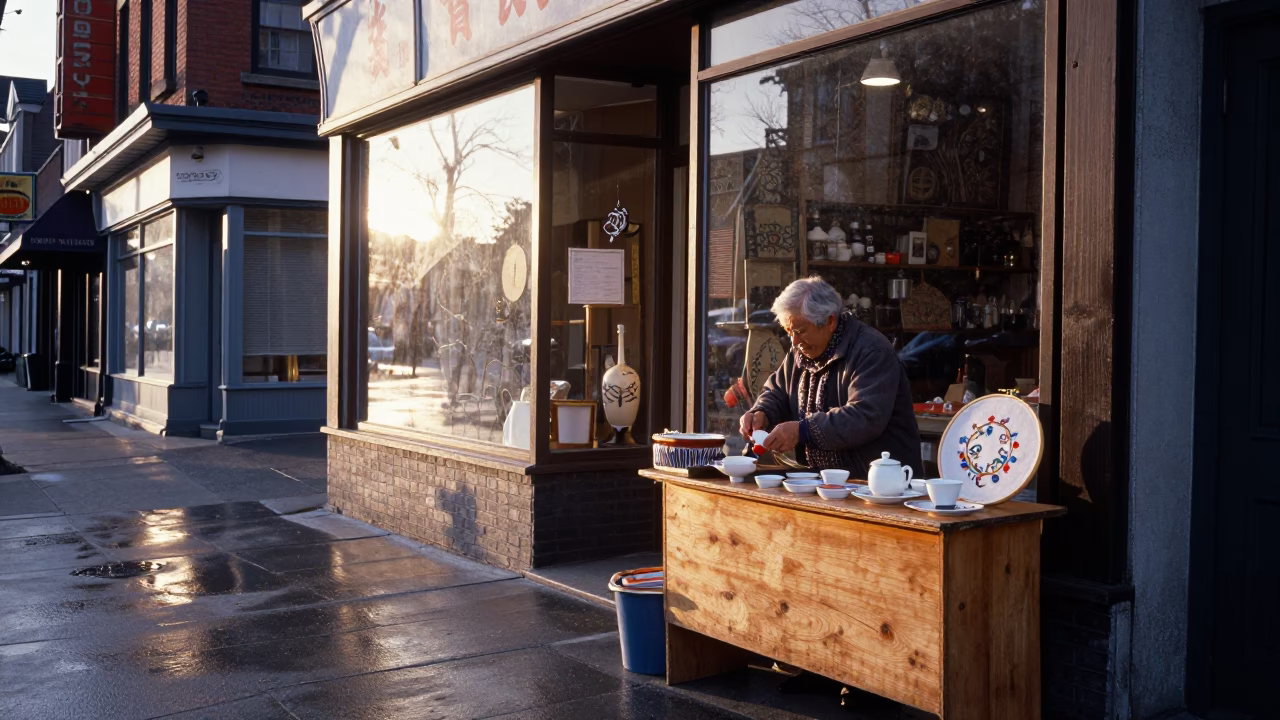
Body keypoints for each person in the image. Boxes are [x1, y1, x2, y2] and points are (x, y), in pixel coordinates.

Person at [740, 276, 923, 477]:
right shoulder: (801, 350)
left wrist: (803, 431)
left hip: (878, 485)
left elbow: (864, 417)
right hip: (824, 483)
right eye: (788, 331)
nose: (794, 341)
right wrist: (762, 413)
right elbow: (778, 391)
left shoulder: (872, 351)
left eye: (800, 331)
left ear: (830, 321)